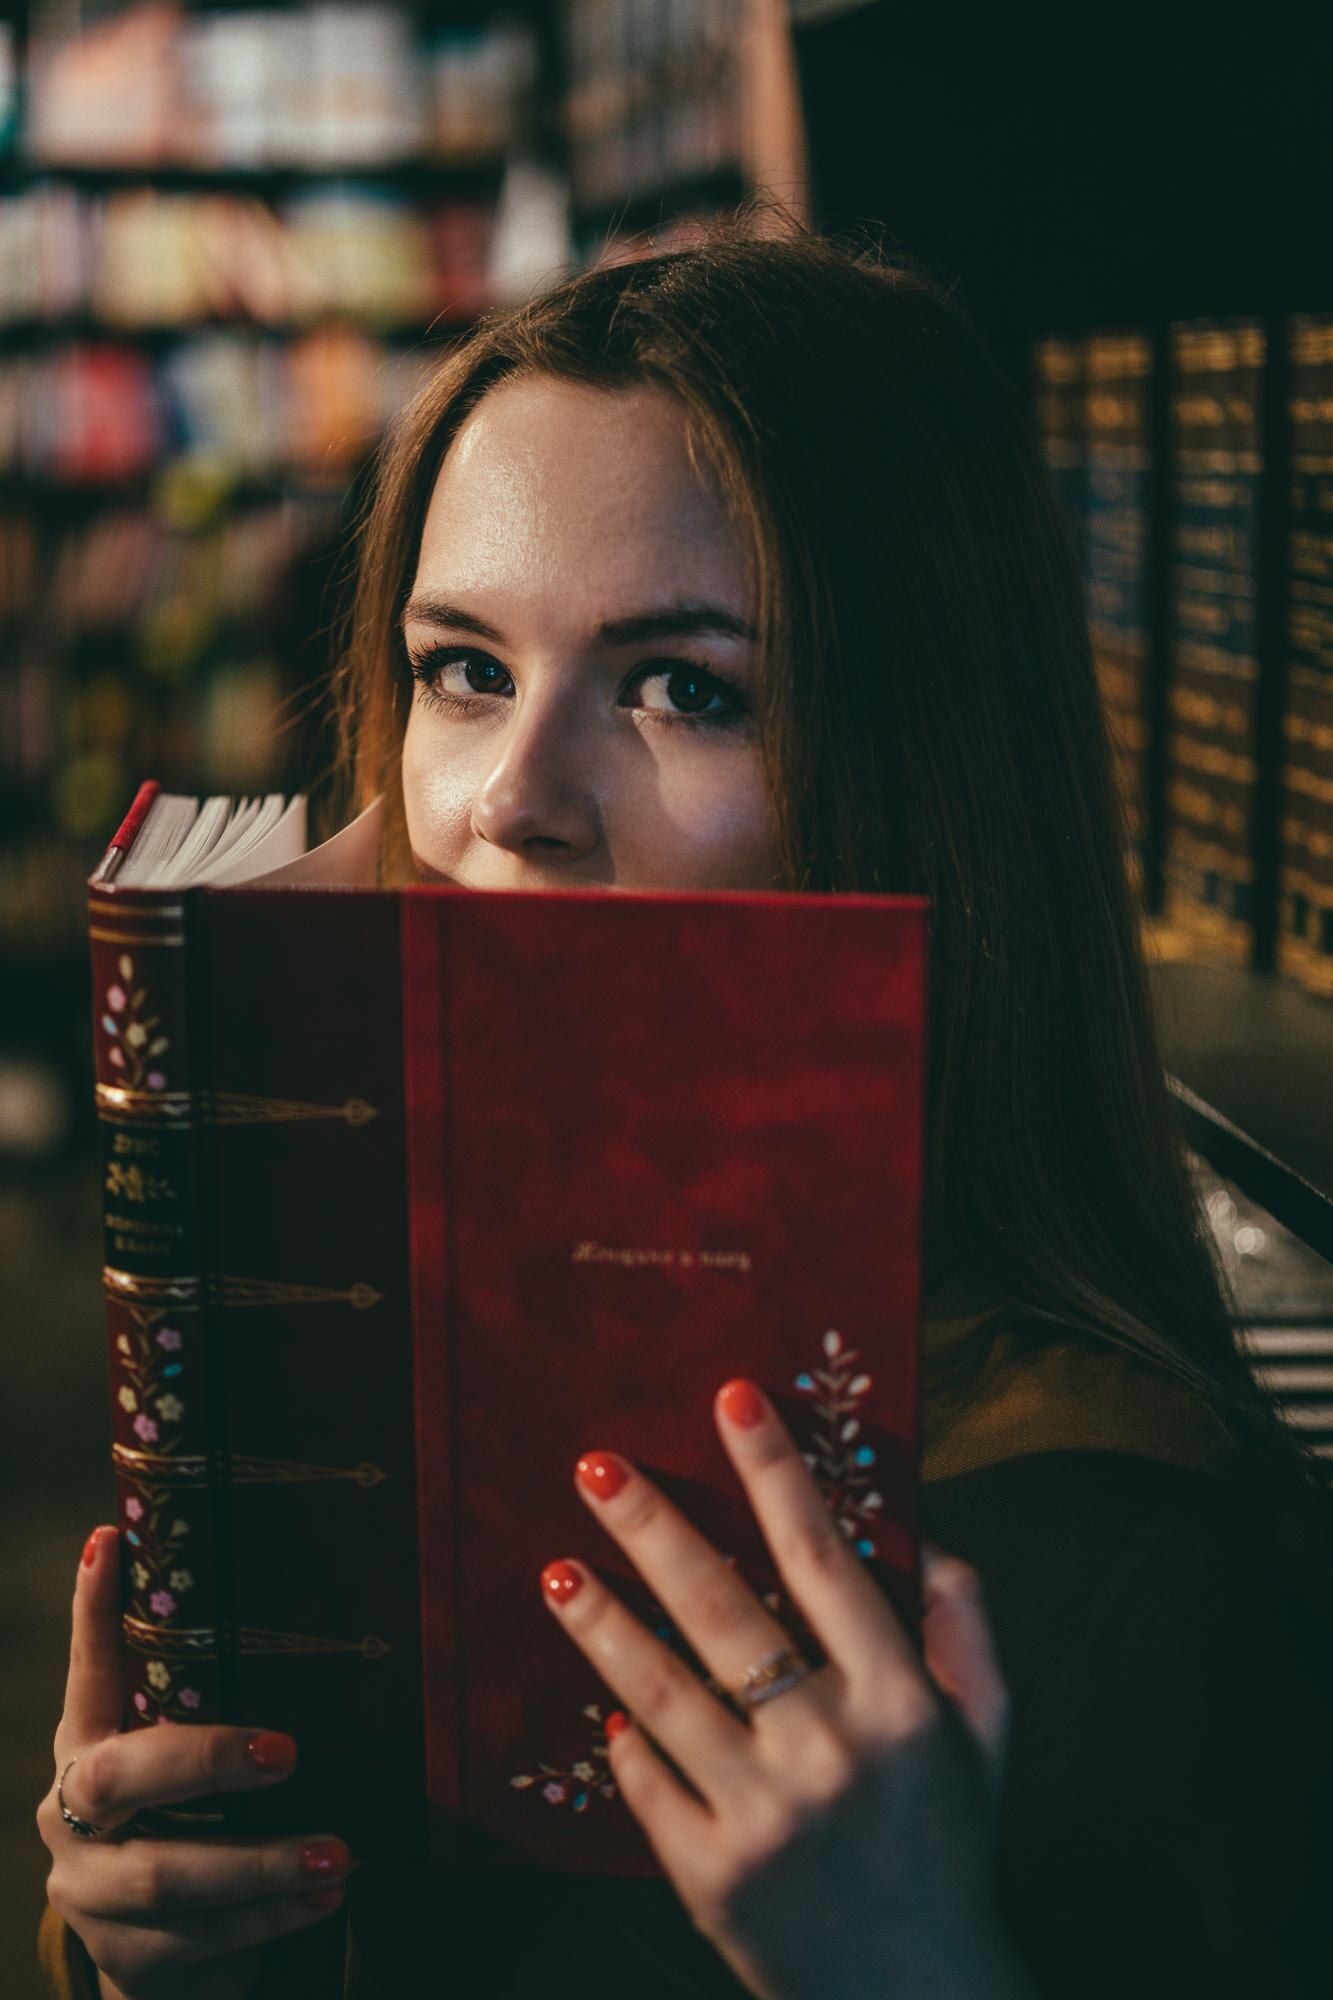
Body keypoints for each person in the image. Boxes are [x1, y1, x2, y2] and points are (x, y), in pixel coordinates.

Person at [38, 214, 1333, 1998]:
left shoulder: (1125, 1559)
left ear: (920, 773)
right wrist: (155, 1954)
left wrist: (912, 1971)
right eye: (463, 669)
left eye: (681, 687)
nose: (509, 799)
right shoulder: (351, 1343)